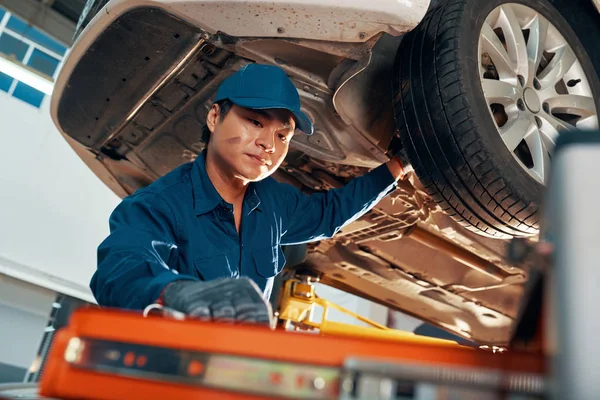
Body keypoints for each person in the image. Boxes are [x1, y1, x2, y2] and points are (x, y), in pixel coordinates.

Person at [91, 63, 406, 326]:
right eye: (255, 122)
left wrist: (398, 165)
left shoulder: (275, 203)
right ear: (215, 117)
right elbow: (120, 268)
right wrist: (175, 292)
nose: (269, 144)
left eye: (282, 135)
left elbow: (329, 213)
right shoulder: (158, 205)